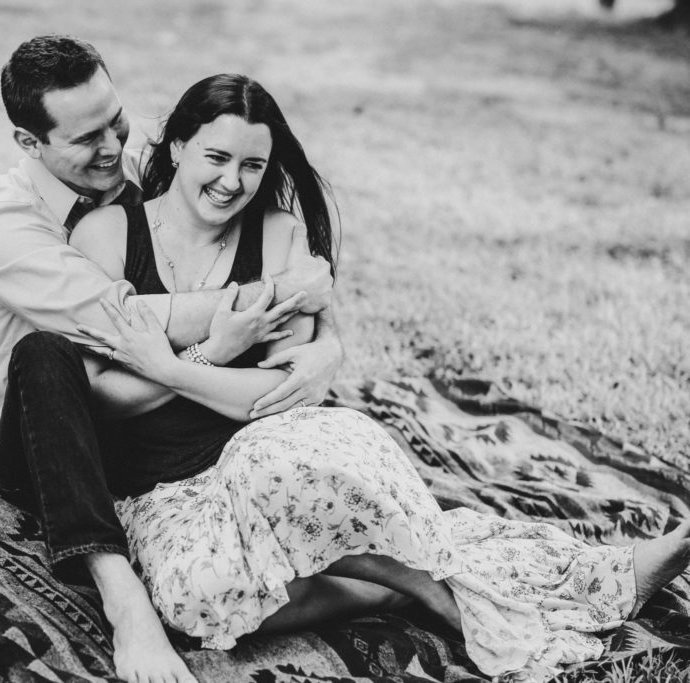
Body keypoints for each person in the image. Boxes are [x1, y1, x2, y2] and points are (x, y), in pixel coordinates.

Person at [70, 73, 690, 682]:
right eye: (216, 157)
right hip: (160, 490)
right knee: (194, 603)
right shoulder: (109, 233)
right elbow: (100, 398)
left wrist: (168, 367)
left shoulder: (279, 235)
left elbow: (278, 395)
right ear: (178, 145)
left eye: (252, 165)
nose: (232, 181)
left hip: (270, 451)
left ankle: (604, 575)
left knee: (287, 474)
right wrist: (216, 353)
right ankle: (406, 586)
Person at [0, 36, 344, 683]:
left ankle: (367, 569)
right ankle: (122, 594)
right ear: (30, 142)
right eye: (87, 138)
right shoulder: (3, 221)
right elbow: (127, 320)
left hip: (143, 424)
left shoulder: (140, 172)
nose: (113, 146)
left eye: (116, 121)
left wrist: (328, 340)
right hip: (37, 435)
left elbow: (289, 267)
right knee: (44, 352)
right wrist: (274, 298)